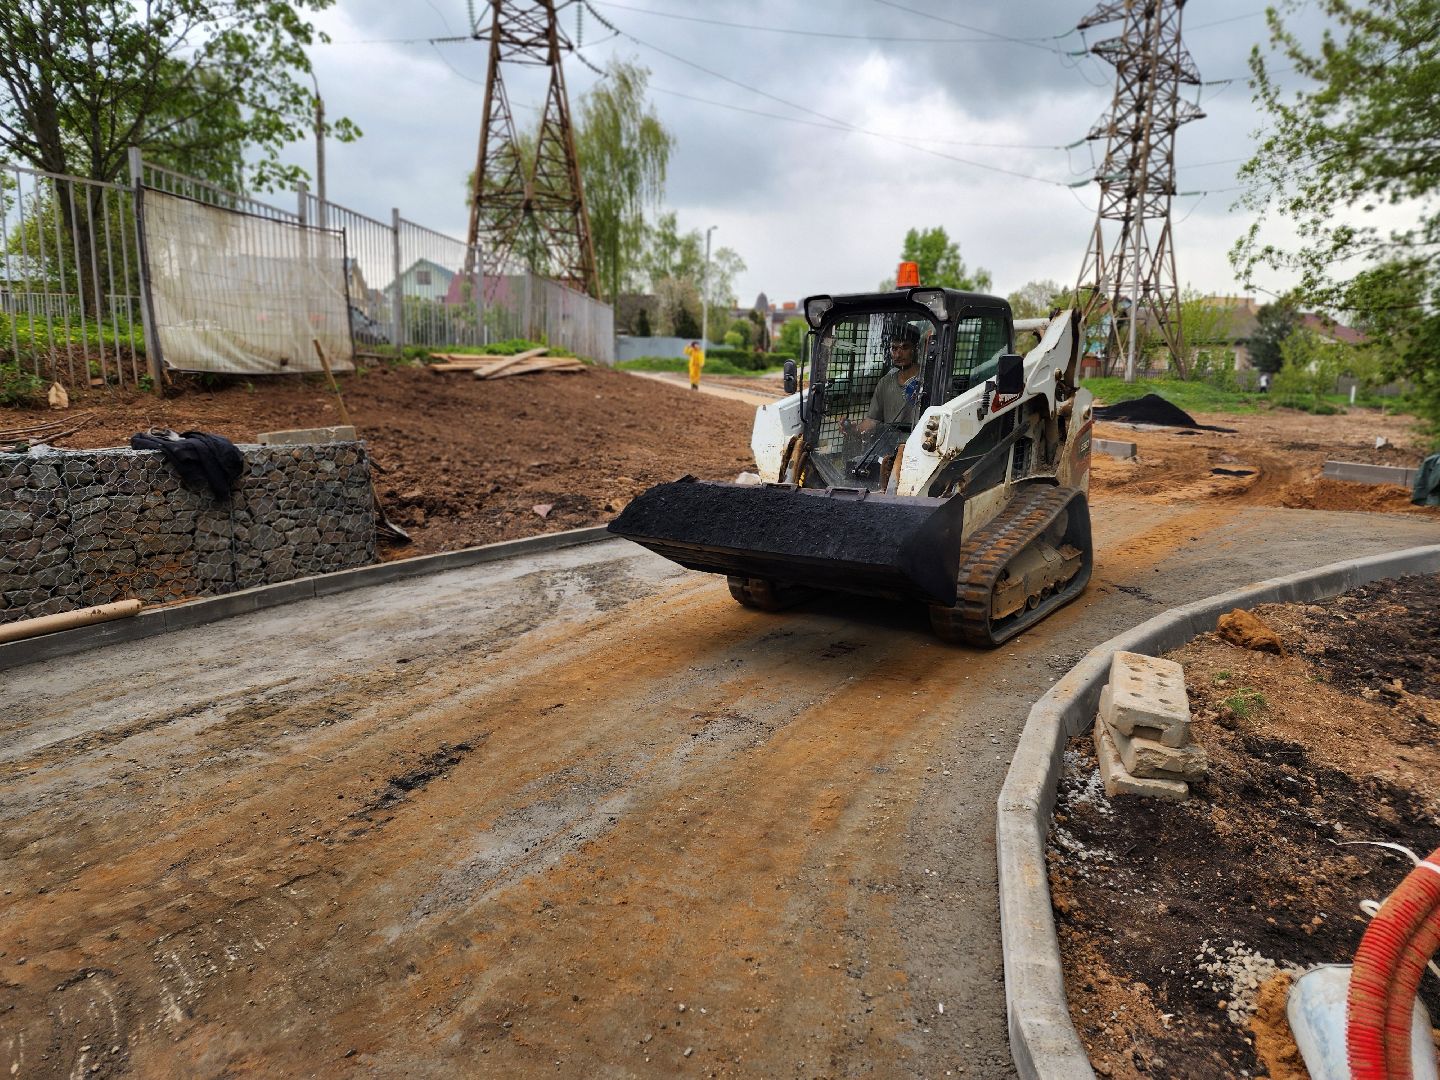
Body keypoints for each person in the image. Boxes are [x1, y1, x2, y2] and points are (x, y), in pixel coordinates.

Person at [841, 323, 924, 437]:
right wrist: (855, 430)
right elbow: (872, 420)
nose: (898, 354)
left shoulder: (928, 380)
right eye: (894, 349)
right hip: (890, 449)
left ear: (915, 349)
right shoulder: (885, 383)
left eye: (904, 347)